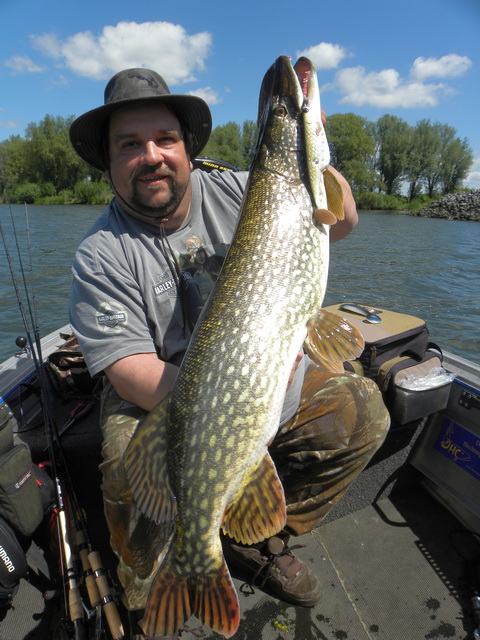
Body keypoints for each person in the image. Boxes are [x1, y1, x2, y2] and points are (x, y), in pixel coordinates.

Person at [69, 68, 389, 626]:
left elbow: (341, 222)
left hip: (260, 364)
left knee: (361, 412)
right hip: (169, 388)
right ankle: (149, 587)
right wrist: (231, 413)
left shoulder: (243, 189)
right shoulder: (100, 253)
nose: (151, 155)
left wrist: (309, 141)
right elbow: (128, 370)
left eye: (165, 139)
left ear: (186, 147)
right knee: (126, 465)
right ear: (110, 162)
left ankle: (253, 536)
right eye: (129, 144)